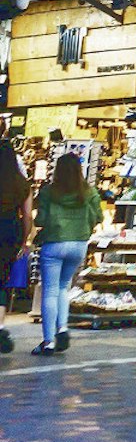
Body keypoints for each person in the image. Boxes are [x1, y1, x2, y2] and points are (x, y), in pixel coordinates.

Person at [31, 151, 102, 356]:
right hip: (79, 244)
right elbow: (97, 216)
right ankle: (62, 328)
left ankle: (48, 341)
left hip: (54, 243)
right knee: (64, 287)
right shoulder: (89, 193)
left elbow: (40, 220)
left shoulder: (48, 193)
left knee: (50, 290)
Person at [0, 138, 30, 354]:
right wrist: (24, 240)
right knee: (2, 281)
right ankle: (0, 327)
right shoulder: (22, 183)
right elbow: (27, 215)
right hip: (11, 231)